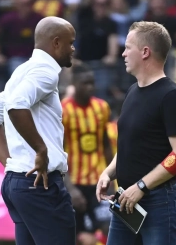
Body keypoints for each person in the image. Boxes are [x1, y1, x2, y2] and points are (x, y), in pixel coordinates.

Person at [0, 16, 76, 245]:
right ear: (55, 43)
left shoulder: (22, 70)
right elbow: (16, 106)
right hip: (40, 186)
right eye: (70, 42)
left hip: (18, 183)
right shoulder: (46, 72)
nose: (73, 48)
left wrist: (12, 164)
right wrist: (40, 150)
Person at [96, 21, 176, 245]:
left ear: (145, 52)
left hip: (159, 202)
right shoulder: (132, 91)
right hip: (125, 201)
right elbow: (130, 145)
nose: (123, 53)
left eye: (128, 47)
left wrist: (141, 186)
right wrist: (108, 173)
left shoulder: (171, 96)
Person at [61, 63, 113, 244]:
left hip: (99, 182)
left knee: (109, 228)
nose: (90, 87)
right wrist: (71, 189)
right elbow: (58, 153)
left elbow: (106, 145)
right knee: (77, 237)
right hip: (74, 183)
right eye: (85, 83)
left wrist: (111, 179)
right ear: (74, 82)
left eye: (92, 83)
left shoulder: (102, 108)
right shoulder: (63, 110)